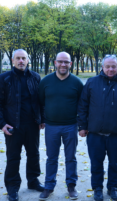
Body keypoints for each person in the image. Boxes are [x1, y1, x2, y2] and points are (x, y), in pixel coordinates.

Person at [0, 49, 44, 201]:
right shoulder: (4, 78)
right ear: (13, 60)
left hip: (32, 125)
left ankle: (33, 181)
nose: (21, 61)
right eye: (18, 58)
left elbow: (41, 102)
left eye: (24, 58)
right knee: (13, 157)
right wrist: (1, 124)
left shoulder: (35, 77)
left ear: (28, 60)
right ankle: (12, 187)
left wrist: (42, 119)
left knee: (34, 155)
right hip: (13, 126)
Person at [77, 55, 117, 201]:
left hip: (116, 134)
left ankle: (112, 187)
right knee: (96, 163)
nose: (110, 69)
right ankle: (98, 188)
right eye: (107, 66)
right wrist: (82, 126)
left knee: (114, 163)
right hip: (95, 133)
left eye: (113, 66)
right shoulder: (91, 82)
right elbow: (83, 106)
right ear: (102, 67)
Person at [38, 52, 83, 200]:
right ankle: (49, 186)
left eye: (66, 62)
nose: (63, 65)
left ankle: (71, 186)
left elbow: (82, 105)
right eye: (60, 62)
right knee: (51, 158)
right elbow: (40, 102)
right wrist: (41, 119)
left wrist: (81, 124)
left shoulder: (76, 82)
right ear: (55, 62)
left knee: (71, 157)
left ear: (71, 64)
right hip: (51, 126)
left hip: (71, 125)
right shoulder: (46, 81)